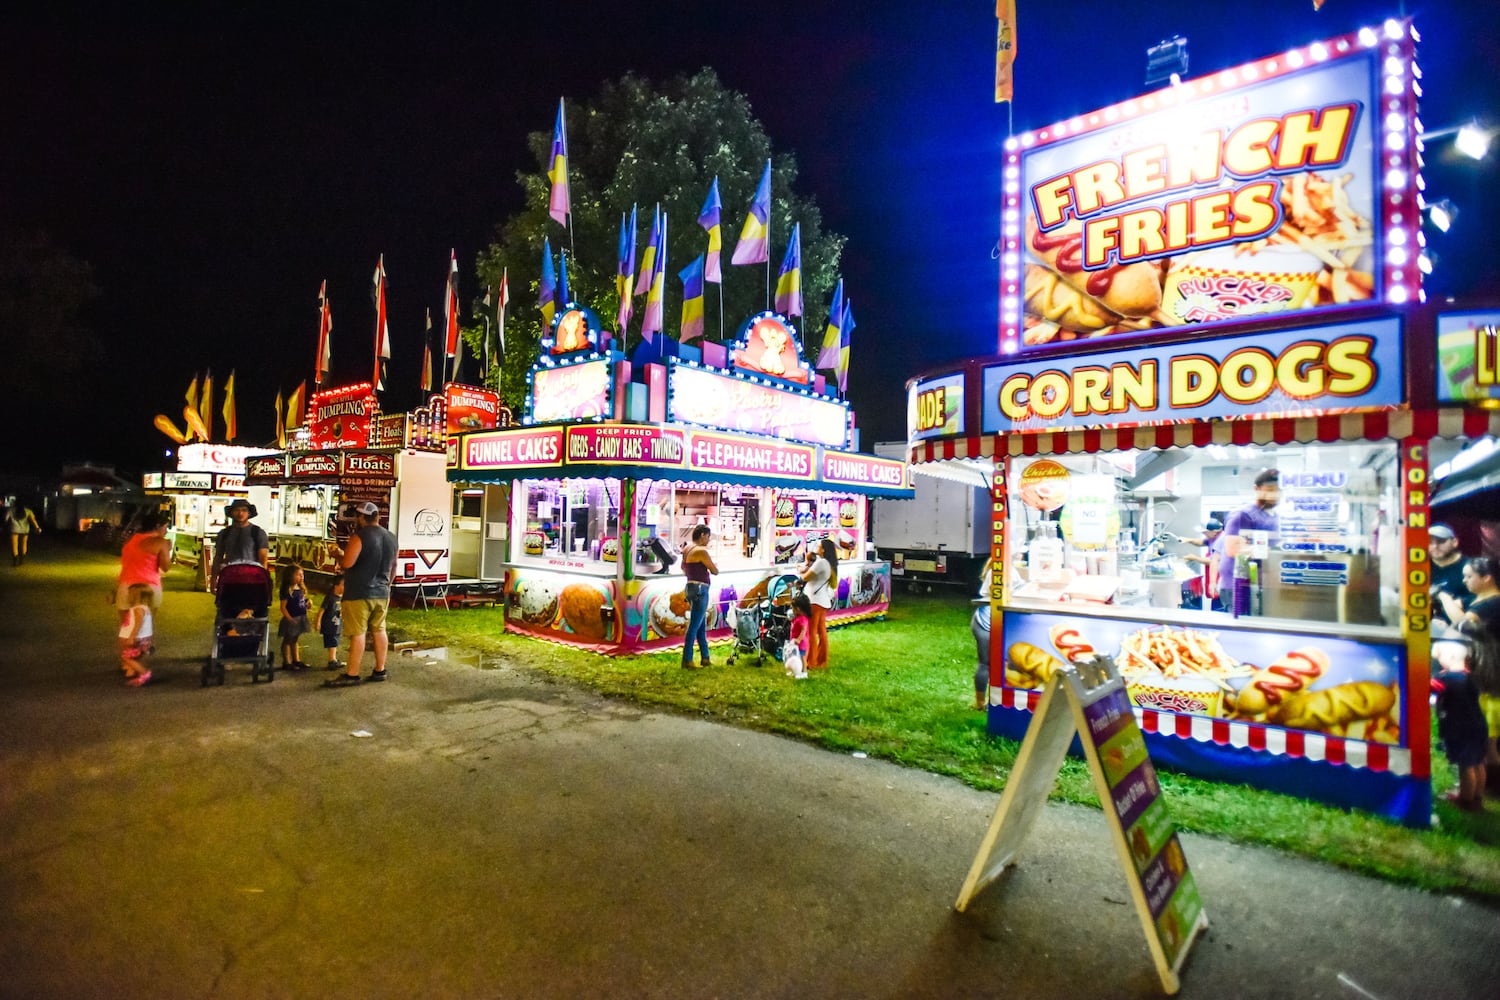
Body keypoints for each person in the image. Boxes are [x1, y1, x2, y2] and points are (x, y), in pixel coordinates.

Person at [326, 502, 397, 687]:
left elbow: (347, 563)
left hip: (359, 592)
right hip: (382, 591)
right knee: (379, 630)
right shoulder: (391, 537)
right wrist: (387, 584)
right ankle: (380, 669)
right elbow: (394, 566)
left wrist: (338, 555)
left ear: (361, 517)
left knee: (358, 633)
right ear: (377, 516)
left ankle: (352, 674)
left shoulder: (359, 536)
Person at [1431, 628, 1489, 811]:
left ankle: (1465, 799)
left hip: (1460, 728)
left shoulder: (1445, 679)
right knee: (1478, 762)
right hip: (1478, 725)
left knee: (1466, 766)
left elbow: (1429, 692)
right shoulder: (1471, 676)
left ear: (1451, 655)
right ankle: (1478, 796)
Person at [1217, 469, 1280, 610]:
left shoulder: (1273, 517)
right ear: (1256, 489)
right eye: (1270, 489)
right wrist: (1272, 552)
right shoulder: (1243, 515)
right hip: (1239, 586)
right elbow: (1233, 549)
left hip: (1261, 584)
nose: (1274, 494)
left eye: (1277, 490)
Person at [116, 511, 172, 614]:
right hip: (148, 587)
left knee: (127, 627)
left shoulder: (131, 540)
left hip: (125, 586)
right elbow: (165, 567)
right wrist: (168, 549)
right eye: (165, 527)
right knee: (145, 626)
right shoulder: (160, 542)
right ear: (157, 526)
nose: (166, 531)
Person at [680, 524, 718, 669]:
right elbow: (714, 570)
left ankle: (705, 657)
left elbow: (683, 568)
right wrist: (713, 568)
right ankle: (687, 659)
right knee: (694, 626)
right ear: (702, 535)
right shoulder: (701, 551)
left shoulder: (687, 549)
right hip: (700, 589)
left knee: (700, 624)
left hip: (690, 587)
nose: (708, 540)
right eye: (708, 536)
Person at [211, 498, 269, 588]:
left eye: (244, 510)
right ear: (231, 513)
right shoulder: (224, 533)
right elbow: (218, 557)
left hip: (252, 579)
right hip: (229, 578)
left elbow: (263, 559)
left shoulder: (258, 532)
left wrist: (263, 580)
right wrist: (213, 579)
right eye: (237, 510)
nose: (240, 513)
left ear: (249, 513)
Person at [799, 537, 838, 669]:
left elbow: (805, 577)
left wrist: (800, 569)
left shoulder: (821, 563)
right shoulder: (828, 564)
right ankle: (822, 660)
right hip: (822, 601)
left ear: (823, 550)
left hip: (814, 601)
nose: (817, 548)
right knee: (821, 632)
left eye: (819, 546)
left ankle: (811, 661)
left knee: (811, 632)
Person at [117, 583, 156, 687]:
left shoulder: (137, 609)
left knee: (126, 657)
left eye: (129, 594)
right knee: (135, 657)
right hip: (144, 638)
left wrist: (131, 636)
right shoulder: (145, 608)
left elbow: (138, 623)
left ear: (134, 596)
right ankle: (135, 671)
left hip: (138, 638)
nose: (127, 596)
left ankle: (144, 674)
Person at [1429, 524, 1468, 627]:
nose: (1435, 546)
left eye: (1441, 541)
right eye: (1430, 542)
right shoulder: (1419, 567)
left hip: (1462, 628)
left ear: (1454, 542)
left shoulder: (1470, 567)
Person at [278, 564, 312, 672]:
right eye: (298, 575)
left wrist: (307, 604)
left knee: (295, 639)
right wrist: (289, 618)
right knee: (288, 640)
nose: (301, 577)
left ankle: (296, 659)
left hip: (300, 617)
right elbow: (283, 607)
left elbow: (300, 602)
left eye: (302, 574)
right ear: (290, 576)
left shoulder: (300, 588)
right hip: (291, 619)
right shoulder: (287, 590)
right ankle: (287, 661)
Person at [315, 573, 345, 671]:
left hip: (337, 625)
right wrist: (318, 621)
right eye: (344, 585)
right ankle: (332, 660)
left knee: (334, 641)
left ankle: (333, 659)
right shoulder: (330, 597)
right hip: (329, 625)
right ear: (336, 586)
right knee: (333, 642)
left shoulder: (341, 598)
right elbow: (322, 610)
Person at [785, 593, 812, 680]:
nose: (792, 610)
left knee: (802, 657)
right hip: (796, 642)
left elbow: (804, 630)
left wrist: (799, 639)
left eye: (792, 608)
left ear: (798, 609)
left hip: (801, 643)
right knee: (796, 657)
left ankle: (804, 672)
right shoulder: (798, 617)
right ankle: (797, 671)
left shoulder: (802, 619)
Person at [8, 500, 41, 566]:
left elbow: (6, 519)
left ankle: (15, 561)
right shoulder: (28, 511)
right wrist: (37, 527)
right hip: (25, 530)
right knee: (24, 544)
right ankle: (21, 560)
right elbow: (33, 520)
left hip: (14, 529)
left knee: (15, 545)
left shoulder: (11, 510)